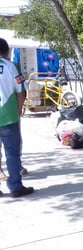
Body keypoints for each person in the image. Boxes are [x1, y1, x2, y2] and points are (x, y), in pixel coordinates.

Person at [0, 37, 33, 197]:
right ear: (6, 51)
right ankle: (15, 187)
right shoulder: (11, 66)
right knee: (12, 153)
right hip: (8, 116)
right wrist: (18, 110)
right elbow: (21, 92)